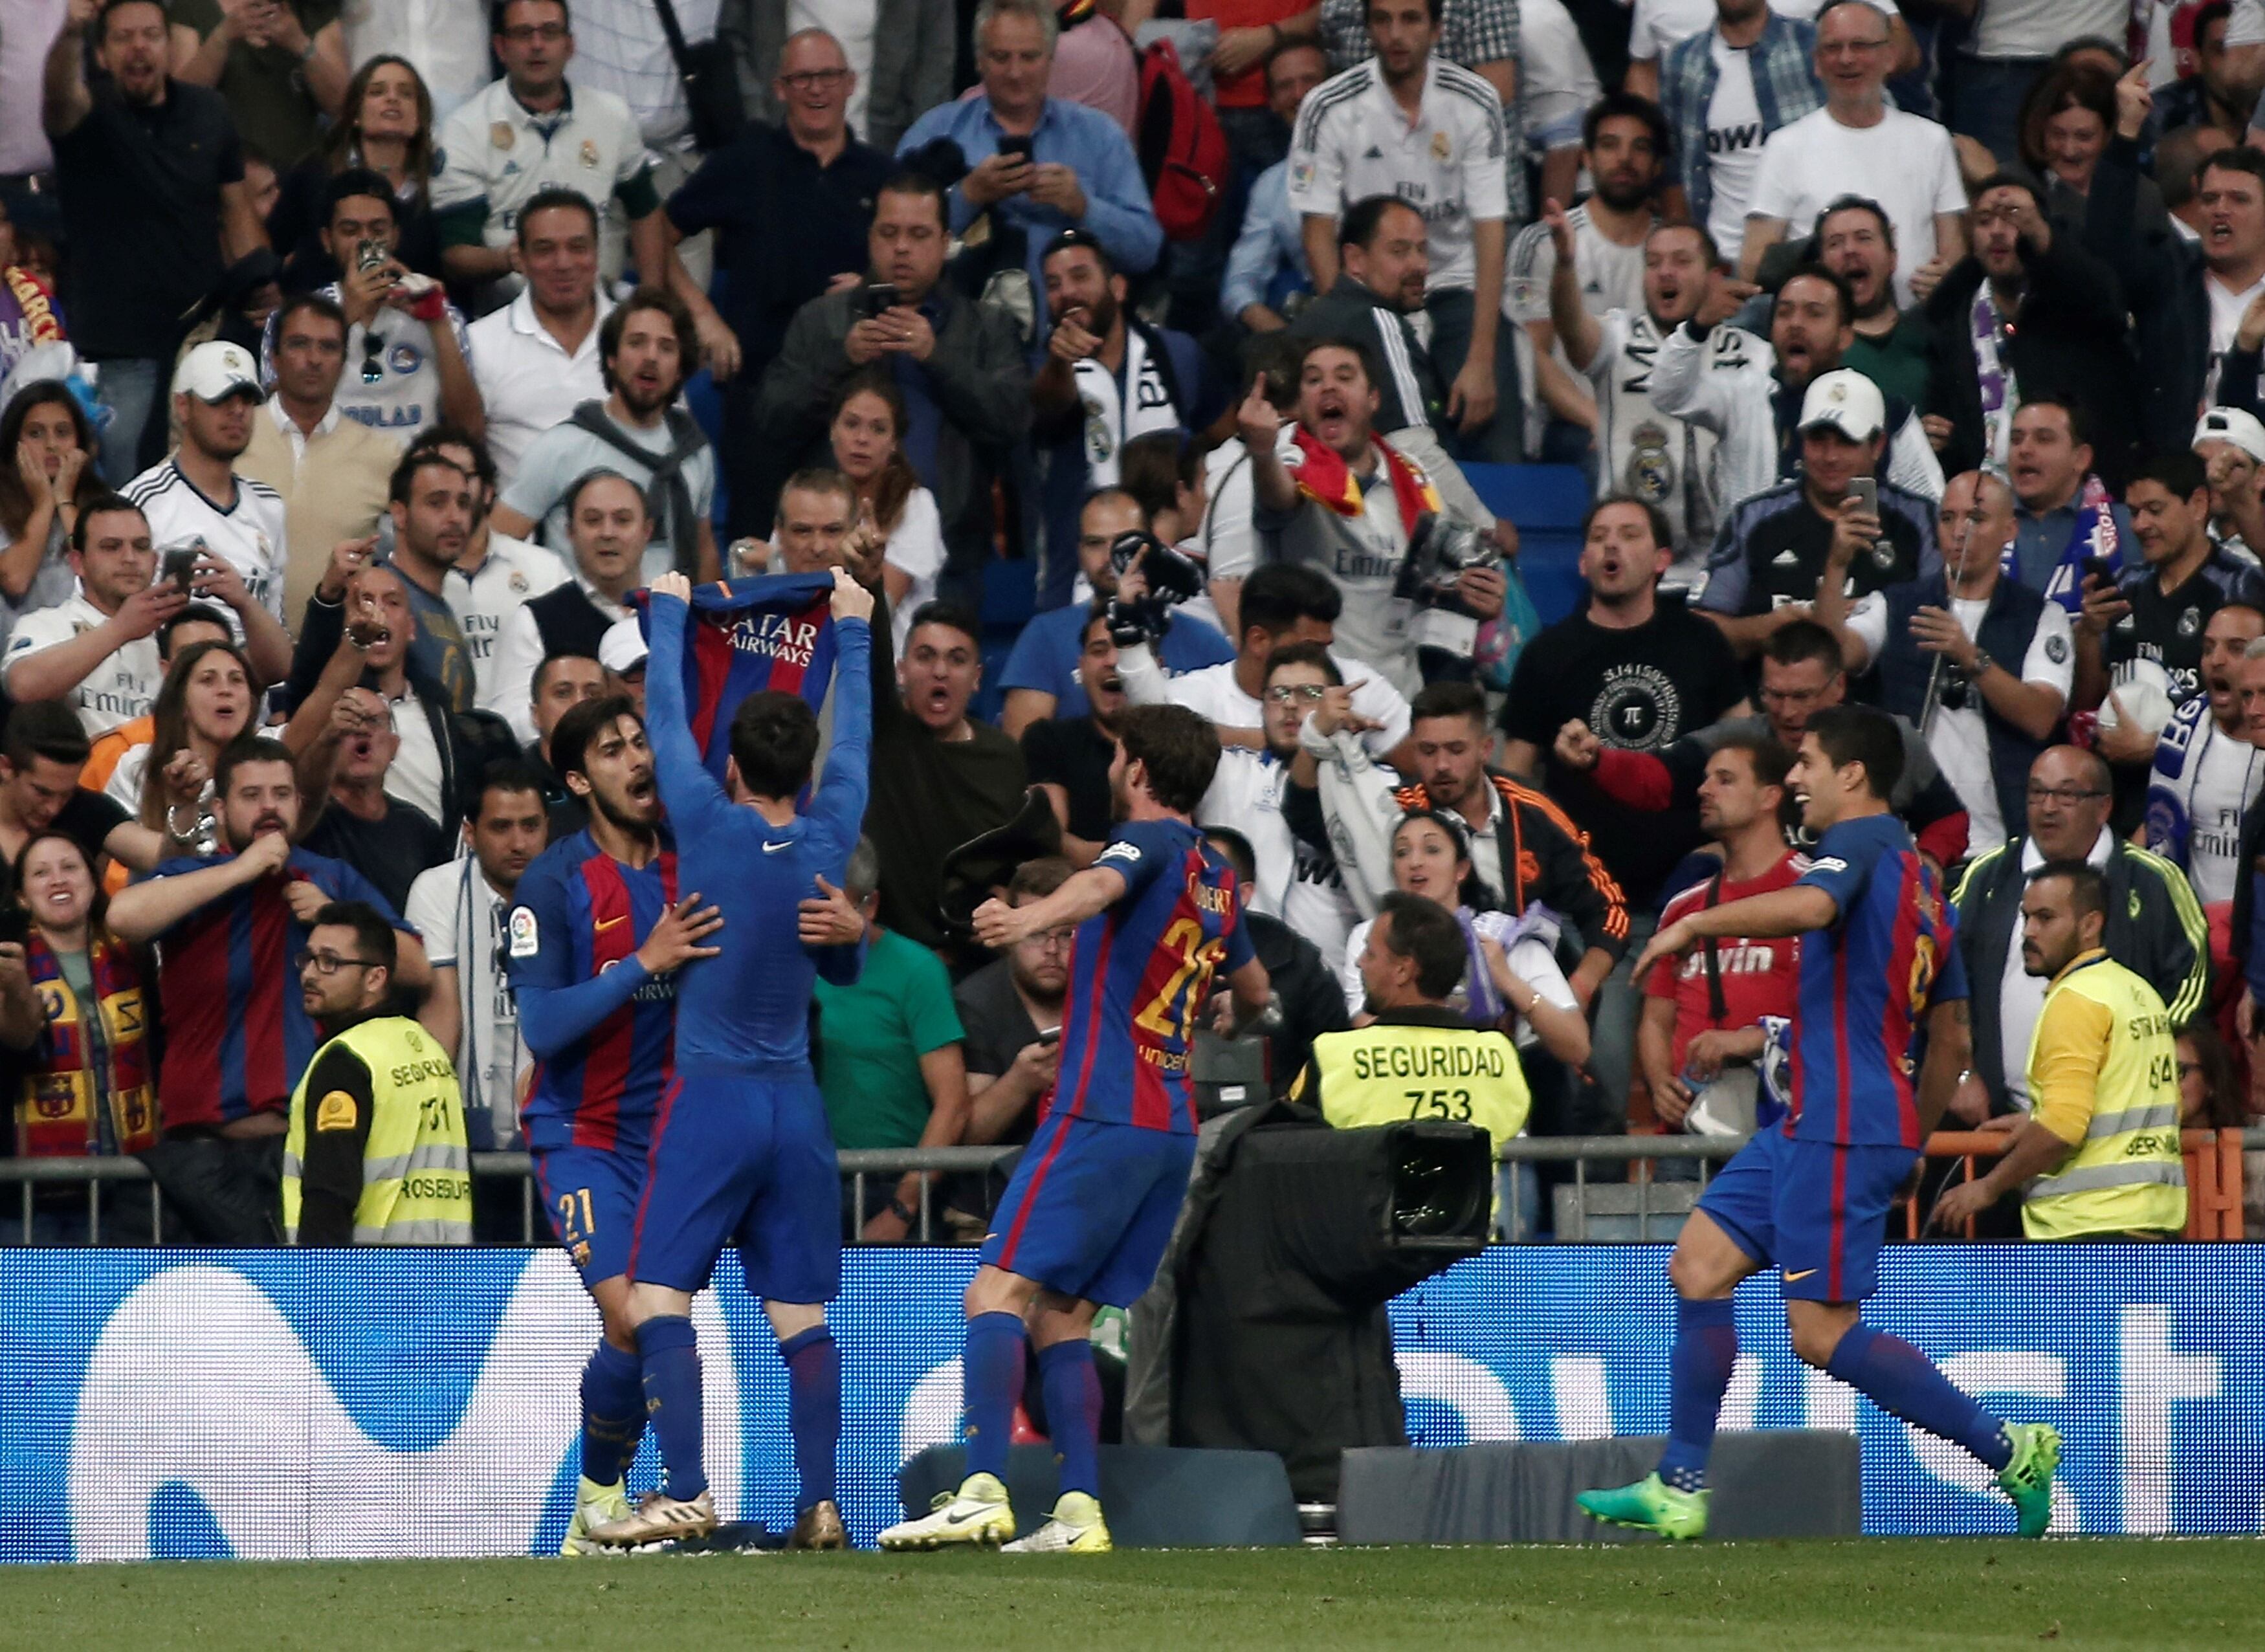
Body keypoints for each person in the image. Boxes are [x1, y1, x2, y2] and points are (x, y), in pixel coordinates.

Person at [1579, 705, 2061, 1543]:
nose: (1795, 776)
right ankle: (1680, 1484)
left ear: (1853, 776)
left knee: (1818, 1333)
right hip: (1820, 1117)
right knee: (1697, 1266)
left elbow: (1808, 908)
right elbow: (1949, 1036)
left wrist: (1692, 924)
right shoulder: (1923, 881)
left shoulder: (1864, 844)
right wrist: (1909, 1132)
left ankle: (2009, 1447)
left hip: (1837, 1117)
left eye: (1805, 762)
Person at [879, 703, 1272, 1556]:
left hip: (1098, 1109)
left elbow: (1104, 881)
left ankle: (981, 1489)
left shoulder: (1149, 844)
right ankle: (1079, 1511)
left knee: (994, 1293)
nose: (1111, 764)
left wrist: (1027, 920)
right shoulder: (1213, 870)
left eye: (1117, 753)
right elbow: (1257, 991)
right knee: (1062, 1317)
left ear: (1135, 770)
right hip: (1169, 1123)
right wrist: (1224, 1022)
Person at [586, 566, 874, 1550]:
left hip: (710, 1100)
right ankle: (823, 1502)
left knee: (660, 1295)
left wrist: (669, 612)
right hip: (798, 1107)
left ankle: (692, 1488)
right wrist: (858, 636)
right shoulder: (835, 830)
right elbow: (861, 739)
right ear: (809, 765)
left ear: (734, 766)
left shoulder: (704, 826)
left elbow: (665, 710)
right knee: (798, 1316)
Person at [503, 692, 720, 1552]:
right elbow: (546, 1026)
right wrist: (646, 961)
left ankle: (598, 1507)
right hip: (581, 1133)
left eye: (641, 742)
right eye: (611, 750)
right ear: (576, 777)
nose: (636, 760)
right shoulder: (553, 881)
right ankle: (607, 1491)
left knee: (636, 1325)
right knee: (632, 1314)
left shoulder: (695, 863)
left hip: (674, 1137)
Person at [109, 735, 426, 1245]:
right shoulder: (194, 875)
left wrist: (330, 913)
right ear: (220, 808)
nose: (268, 807)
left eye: (281, 793)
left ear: (299, 803)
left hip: (312, 1149)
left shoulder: (330, 879)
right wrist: (242, 868)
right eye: (251, 795)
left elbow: (416, 967)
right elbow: (124, 917)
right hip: (203, 1159)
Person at [668, 28, 893, 537]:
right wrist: (702, 316)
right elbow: (657, 233)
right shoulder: (745, 164)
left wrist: (871, 287)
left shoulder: (882, 175)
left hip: (851, 390)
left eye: (829, 77)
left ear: (852, 82)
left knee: (843, 541)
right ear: (779, 88)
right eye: (802, 78)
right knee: (755, 541)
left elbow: (920, 259)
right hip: (759, 390)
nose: (817, 90)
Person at [755, 171, 1033, 578]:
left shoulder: (986, 328)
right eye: (889, 233)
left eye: (919, 235)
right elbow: (772, 421)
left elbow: (1013, 420)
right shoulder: (822, 321)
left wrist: (937, 357)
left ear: (945, 243)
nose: (902, 248)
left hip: (953, 551)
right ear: (870, 239)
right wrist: (842, 359)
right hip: (824, 549)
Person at [432, 0, 729, 366]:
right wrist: (506, 259)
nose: (538, 45)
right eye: (524, 34)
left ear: (570, 46)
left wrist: (648, 302)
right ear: (501, 48)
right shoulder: (465, 129)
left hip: (603, 324)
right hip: (507, 322)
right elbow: (454, 255)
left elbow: (645, 213)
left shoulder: (612, 116)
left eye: (550, 32)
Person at [43, 0, 267, 479]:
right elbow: (59, 98)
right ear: (102, 53)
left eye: (150, 35)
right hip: (121, 350)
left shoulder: (209, 111)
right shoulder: (87, 116)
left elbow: (236, 208)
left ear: (169, 44)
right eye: (123, 38)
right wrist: (69, 35)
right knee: (128, 484)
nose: (139, 47)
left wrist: (261, 280)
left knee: (216, 477)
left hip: (204, 339)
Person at [1288, 0, 1519, 461]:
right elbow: (1317, 230)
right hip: (1368, 295)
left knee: (1495, 435)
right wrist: (1344, 324)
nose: (1396, 34)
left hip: (1455, 282)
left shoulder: (1475, 102)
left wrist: (1480, 358)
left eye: (1410, 19)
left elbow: (1490, 230)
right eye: (1383, 19)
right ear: (1368, 27)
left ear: (1436, 28)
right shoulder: (1328, 107)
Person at [1558, 617, 1972, 868]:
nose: (1788, 712)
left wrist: (1930, 861)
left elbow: (1950, 820)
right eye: (1774, 695)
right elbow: (1656, 781)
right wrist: (1598, 761)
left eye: (1803, 697)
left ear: (1838, 686)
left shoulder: (1890, 739)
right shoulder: (1740, 745)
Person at [1502, 496, 1751, 911]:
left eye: (1629, 535)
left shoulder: (1701, 640)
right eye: (1599, 538)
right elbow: (1514, 777)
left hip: (1694, 885)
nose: (1611, 546)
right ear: (1583, 563)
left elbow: (1746, 746)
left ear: (1662, 559)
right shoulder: (1546, 653)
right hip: (1584, 896)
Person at [1950, 745, 2210, 1123]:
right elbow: (1945, 977)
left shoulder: (2153, 880)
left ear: (2103, 807)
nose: (2048, 807)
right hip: (1993, 1118)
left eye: (2066, 794)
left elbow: (2192, 979)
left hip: (2116, 1111)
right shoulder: (1986, 877)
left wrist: (2130, 1062)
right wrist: (1961, 1069)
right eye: (2037, 793)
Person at [1932, 862, 2189, 1240]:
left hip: (2089, 1225)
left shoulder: (2075, 999)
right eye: (2026, 917)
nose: (2029, 932)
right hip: (2154, 1219)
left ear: (2090, 925)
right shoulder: (2136, 992)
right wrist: (2040, 1118)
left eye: (2045, 918)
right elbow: (2119, 1101)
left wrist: (1987, 1187)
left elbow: (2064, 1128)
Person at [1822, 468, 2072, 853]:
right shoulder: (1897, 604)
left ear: (2010, 530)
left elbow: (2041, 717)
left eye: (1976, 518)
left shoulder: (2041, 615)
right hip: (1904, 839)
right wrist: (1837, 567)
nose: (1960, 532)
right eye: (1948, 518)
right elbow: (1833, 657)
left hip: (1999, 840)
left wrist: (1971, 657)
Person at [1241, 337, 1505, 696]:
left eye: (1344, 377)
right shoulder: (1291, 463)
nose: (1329, 386)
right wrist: (1261, 452)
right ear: (1302, 403)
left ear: (1373, 399)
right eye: (1314, 380)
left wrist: (1477, 602)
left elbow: (1437, 587)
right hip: (1311, 698)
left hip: (1398, 696)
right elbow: (1279, 497)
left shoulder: (1414, 481)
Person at [893, 0, 1164, 330]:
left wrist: (1082, 207)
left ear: (1051, 61)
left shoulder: (1099, 136)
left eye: (1029, 57)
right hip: (953, 333)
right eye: (1001, 57)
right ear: (979, 61)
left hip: (1074, 335)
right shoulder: (936, 131)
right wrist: (968, 196)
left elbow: (1145, 250)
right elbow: (891, 245)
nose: (1015, 72)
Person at [1541, 214, 1745, 584]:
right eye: (1653, 263)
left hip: (1724, 576)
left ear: (1715, 276)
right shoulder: (1618, 338)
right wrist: (1566, 265)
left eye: (1682, 262)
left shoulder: (1748, 353)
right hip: (1636, 577)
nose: (1665, 272)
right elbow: (1571, 327)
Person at [1653, 263, 1945, 514]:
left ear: (1845, 336)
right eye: (1784, 313)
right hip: (1753, 571)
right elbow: (1668, 393)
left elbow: (1931, 503)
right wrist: (1698, 327)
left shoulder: (1885, 411)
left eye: (1814, 314)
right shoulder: (1742, 395)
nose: (1795, 324)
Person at [1290, 887, 1532, 1182]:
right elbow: (1510, 1123)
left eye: (1370, 953)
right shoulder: (1500, 1056)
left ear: (1403, 971)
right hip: (1467, 1226)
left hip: (1363, 1224)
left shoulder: (1333, 1055)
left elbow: (1288, 1146)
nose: (1359, 963)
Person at [1696, 367, 1940, 657]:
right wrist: (1771, 627)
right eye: (1817, 440)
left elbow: (1946, 618)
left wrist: (1871, 621)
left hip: (1883, 697)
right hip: (1774, 694)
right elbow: (1701, 629)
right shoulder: (1755, 518)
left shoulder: (1920, 520)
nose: (1830, 457)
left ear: (1878, 446)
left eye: (1846, 442)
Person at [1741, 1, 1967, 304]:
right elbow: (1754, 264)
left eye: (1861, 46)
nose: (1847, 59)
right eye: (1833, 48)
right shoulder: (1785, 147)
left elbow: (1953, 251)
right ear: (1817, 63)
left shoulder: (1932, 140)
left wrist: (1946, 279)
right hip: (1823, 335)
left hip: (1915, 329)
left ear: (1889, 56)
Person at [1638, 734, 1806, 1140]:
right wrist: (1662, 1084)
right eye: (1706, 779)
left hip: (1781, 1123)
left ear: (1769, 797)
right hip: (1687, 1127)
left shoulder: (1812, 896)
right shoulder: (1685, 907)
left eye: (1725, 780)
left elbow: (1837, 1019)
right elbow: (1655, 1022)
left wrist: (1751, 1041)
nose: (1704, 790)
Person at [1923, 172, 2136, 490]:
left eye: (2013, 218)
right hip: (1986, 502)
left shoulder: (2075, 300)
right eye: (1984, 221)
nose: (1997, 232)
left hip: (2077, 497)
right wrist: (1935, 436)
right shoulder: (1950, 312)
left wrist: (2039, 232)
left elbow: (2108, 304)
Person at [494, 287, 718, 584]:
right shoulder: (560, 448)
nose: (651, 357)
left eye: (666, 348)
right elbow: (497, 548)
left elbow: (704, 552)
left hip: (671, 621)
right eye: (637, 343)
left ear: (680, 369)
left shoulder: (694, 450)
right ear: (612, 358)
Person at [280, 899, 472, 1246]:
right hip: (448, 1280)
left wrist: (314, 1287)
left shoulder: (346, 1060)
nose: (309, 974)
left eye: (330, 962)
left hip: (368, 1284)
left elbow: (330, 1194)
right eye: (308, 959)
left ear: (375, 978)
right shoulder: (429, 1050)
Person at [811, 837, 971, 1240]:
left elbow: (953, 1104)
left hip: (891, 1187)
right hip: (802, 1183)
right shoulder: (786, 965)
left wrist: (903, 1208)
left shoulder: (917, 972)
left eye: (837, 908)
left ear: (872, 906)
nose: (821, 921)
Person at [5, 829, 160, 1242]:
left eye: (70, 868)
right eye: (41, 873)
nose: (58, 880)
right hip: (32, 1199)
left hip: (131, 1186)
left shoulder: (136, 954)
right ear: (22, 897)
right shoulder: (10, 967)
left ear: (94, 882)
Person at [118, 342, 296, 679]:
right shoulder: (140, 501)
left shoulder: (269, 506)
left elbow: (280, 660)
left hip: (247, 702)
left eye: (246, 400)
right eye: (220, 400)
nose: (237, 412)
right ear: (183, 406)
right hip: (160, 697)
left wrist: (243, 601)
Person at [864, 599, 1030, 961]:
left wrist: (1008, 896)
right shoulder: (886, 734)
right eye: (925, 656)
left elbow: (1020, 855)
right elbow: (871, 650)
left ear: (977, 678)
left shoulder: (1003, 755)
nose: (940, 671)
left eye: (957, 659)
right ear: (902, 671)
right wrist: (870, 575)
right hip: (889, 956)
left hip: (977, 960)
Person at [267, 168, 480, 444]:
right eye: (350, 230)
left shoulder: (442, 314)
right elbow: (271, 421)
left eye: (378, 230)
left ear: (395, 236)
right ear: (327, 240)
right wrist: (343, 320)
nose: (365, 241)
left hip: (414, 474)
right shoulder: (292, 318)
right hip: (327, 472)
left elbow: (470, 431)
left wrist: (437, 322)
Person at [999, 487, 1234, 736]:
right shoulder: (1045, 635)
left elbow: (1245, 724)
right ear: (1079, 551)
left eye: (1125, 542)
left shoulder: (1203, 640)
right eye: (1095, 544)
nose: (1110, 558)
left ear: (1150, 545)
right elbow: (1022, 747)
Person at [1510, 93, 1669, 454]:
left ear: (1658, 165)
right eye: (1610, 145)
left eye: (1640, 148)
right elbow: (1530, 356)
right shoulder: (1542, 242)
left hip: (1655, 423)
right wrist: (1600, 420)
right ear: (1587, 158)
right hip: (1570, 426)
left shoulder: (1674, 251)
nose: (1624, 159)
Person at [406, 763, 547, 1160]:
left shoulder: (573, 889)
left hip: (552, 1112)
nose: (519, 843)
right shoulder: (437, 889)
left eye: (531, 826)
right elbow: (442, 1011)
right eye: (501, 827)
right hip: (468, 1109)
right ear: (470, 832)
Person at [239, 291, 406, 624]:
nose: (314, 359)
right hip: (238, 656)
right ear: (273, 357)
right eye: (299, 344)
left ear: (344, 361)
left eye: (328, 347)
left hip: (340, 654)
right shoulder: (233, 435)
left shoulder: (383, 454)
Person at [2077, 453, 2265, 746]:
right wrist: (2089, 636)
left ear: (2198, 505)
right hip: (2120, 776)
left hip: (2208, 774)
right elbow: (2088, 701)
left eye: (2155, 510)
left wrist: (2157, 748)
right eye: (2134, 512)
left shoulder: (2240, 586)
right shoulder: (2126, 584)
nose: (2140, 525)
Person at [401, 425, 570, 706]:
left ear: (489, 491)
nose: (449, 486)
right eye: (434, 478)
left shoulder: (546, 569)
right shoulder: (396, 583)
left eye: (461, 475)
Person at [1655, 2, 1824, 273]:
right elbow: (1672, 168)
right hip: (1724, 264)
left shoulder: (1814, 45)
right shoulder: (1683, 63)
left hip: (1812, 257)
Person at [485, 469, 648, 745]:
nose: (608, 533)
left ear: (647, 531)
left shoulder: (677, 609)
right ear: (570, 532)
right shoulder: (538, 618)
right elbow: (507, 724)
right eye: (593, 521)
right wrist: (583, 708)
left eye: (623, 520)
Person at [464, 191, 613, 490]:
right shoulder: (479, 344)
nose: (563, 263)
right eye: (545, 250)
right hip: (520, 534)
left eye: (578, 247)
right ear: (521, 257)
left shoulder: (639, 337)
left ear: (597, 253)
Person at [3, 495, 183, 736]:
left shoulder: (173, 635)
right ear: (78, 563)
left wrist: (245, 605)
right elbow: (22, 686)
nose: (129, 558)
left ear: (154, 561)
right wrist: (119, 630)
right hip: (81, 769)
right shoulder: (46, 623)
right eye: (111, 547)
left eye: (140, 546)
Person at [265, 54, 446, 287]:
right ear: (356, 115)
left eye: (406, 93)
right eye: (377, 92)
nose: (392, 99)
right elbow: (275, 246)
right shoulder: (314, 175)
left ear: (420, 118)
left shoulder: (439, 185)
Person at [1285, 195, 1446, 437]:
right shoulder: (1377, 320)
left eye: (1422, 250)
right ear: (1355, 260)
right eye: (1399, 251)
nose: (1419, 265)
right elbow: (1413, 443)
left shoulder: (1321, 316)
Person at [722, 1, 956, 157]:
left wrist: (917, 162)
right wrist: (760, 129)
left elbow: (935, 66)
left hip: (882, 156)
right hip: (778, 155)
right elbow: (732, 44)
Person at [2144, 604, 2265, 905]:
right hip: (2196, 929)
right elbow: (2158, 826)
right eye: (2208, 648)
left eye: (2237, 649)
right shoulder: (2183, 728)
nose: (2216, 660)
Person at [824, 374, 945, 658]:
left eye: (878, 429)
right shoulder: (810, 501)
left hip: (890, 672)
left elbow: (879, 607)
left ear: (894, 443)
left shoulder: (917, 506)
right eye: (852, 424)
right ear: (832, 430)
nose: (862, 439)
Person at [106, 638, 256, 860]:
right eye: (208, 680)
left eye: (236, 680)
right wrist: (183, 804)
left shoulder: (267, 766)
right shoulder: (138, 766)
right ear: (182, 702)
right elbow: (157, 863)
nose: (226, 690)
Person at [1219, 39, 1330, 334]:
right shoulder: (1271, 185)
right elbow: (1240, 283)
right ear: (1272, 102)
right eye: (1285, 86)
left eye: (1310, 81)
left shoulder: (1380, 155)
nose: (1299, 95)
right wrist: (1285, 340)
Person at [166, 0, 349, 171]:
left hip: (300, 174)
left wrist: (300, 44)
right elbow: (178, 102)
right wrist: (222, 37)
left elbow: (342, 104)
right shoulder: (193, 7)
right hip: (222, 175)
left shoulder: (312, 8)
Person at [0, 377, 104, 653]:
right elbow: (16, 580)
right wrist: (45, 504)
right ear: (14, 444)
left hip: (90, 655)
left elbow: (101, 578)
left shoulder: (105, 503)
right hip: (17, 663)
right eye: (35, 434)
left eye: (62, 433)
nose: (51, 445)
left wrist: (65, 500)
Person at [1023, 608, 1129, 867]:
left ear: (1153, 666)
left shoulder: (1173, 745)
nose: (1112, 661)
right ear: (1081, 667)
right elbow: (1051, 843)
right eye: (1099, 650)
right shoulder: (1048, 740)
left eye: (1125, 649)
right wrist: (1142, 857)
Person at [1816, 196, 1931, 416]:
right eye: (1835, 243)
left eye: (1864, 238)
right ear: (1821, 267)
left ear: (1892, 258)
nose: (1850, 250)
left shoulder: (1932, 333)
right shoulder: (1818, 347)